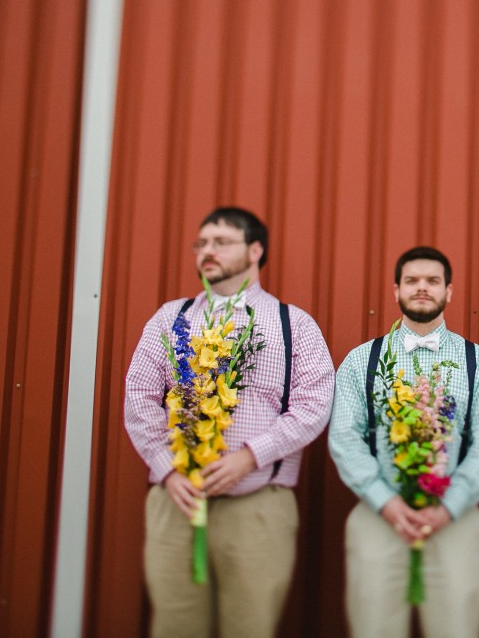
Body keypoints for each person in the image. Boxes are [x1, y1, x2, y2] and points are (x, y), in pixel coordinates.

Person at [124, 207, 335, 637]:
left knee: (250, 628)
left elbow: (314, 405)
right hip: (176, 504)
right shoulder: (171, 318)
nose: (207, 251)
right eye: (201, 244)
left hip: (257, 508)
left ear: (255, 249)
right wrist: (167, 470)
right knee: (173, 628)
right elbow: (139, 398)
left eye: (221, 242)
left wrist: (250, 457)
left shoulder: (292, 325)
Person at [328, 246, 479, 637]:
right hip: (379, 516)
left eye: (433, 281)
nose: (422, 288)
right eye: (412, 281)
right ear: (396, 291)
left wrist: (449, 506)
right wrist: (387, 503)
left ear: (449, 291)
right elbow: (344, 438)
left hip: (454, 520)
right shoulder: (362, 360)